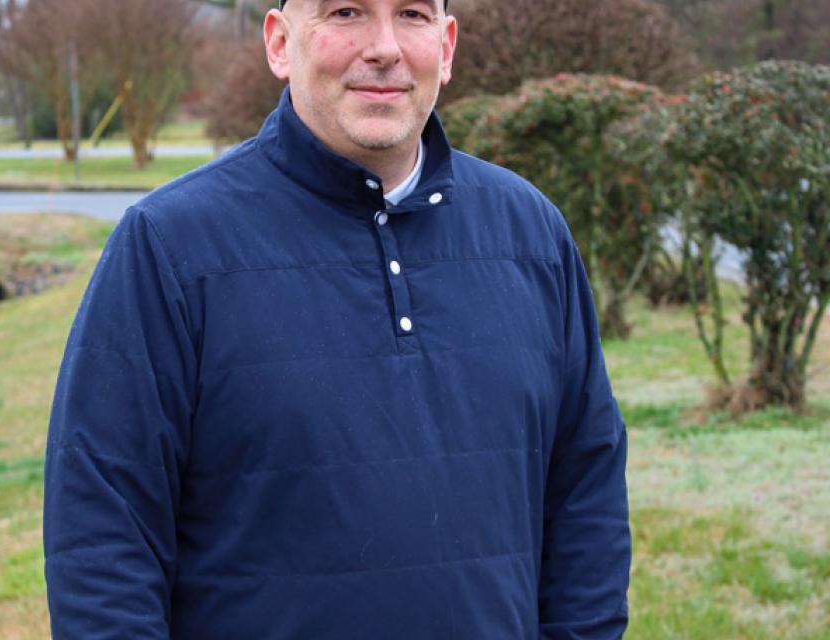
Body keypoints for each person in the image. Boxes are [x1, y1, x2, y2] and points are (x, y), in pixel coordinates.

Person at [43, 0, 631, 637]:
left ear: (447, 47)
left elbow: (587, 497)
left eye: (412, 14)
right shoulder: (170, 247)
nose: (384, 47)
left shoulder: (531, 235)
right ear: (280, 43)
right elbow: (103, 535)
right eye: (346, 11)